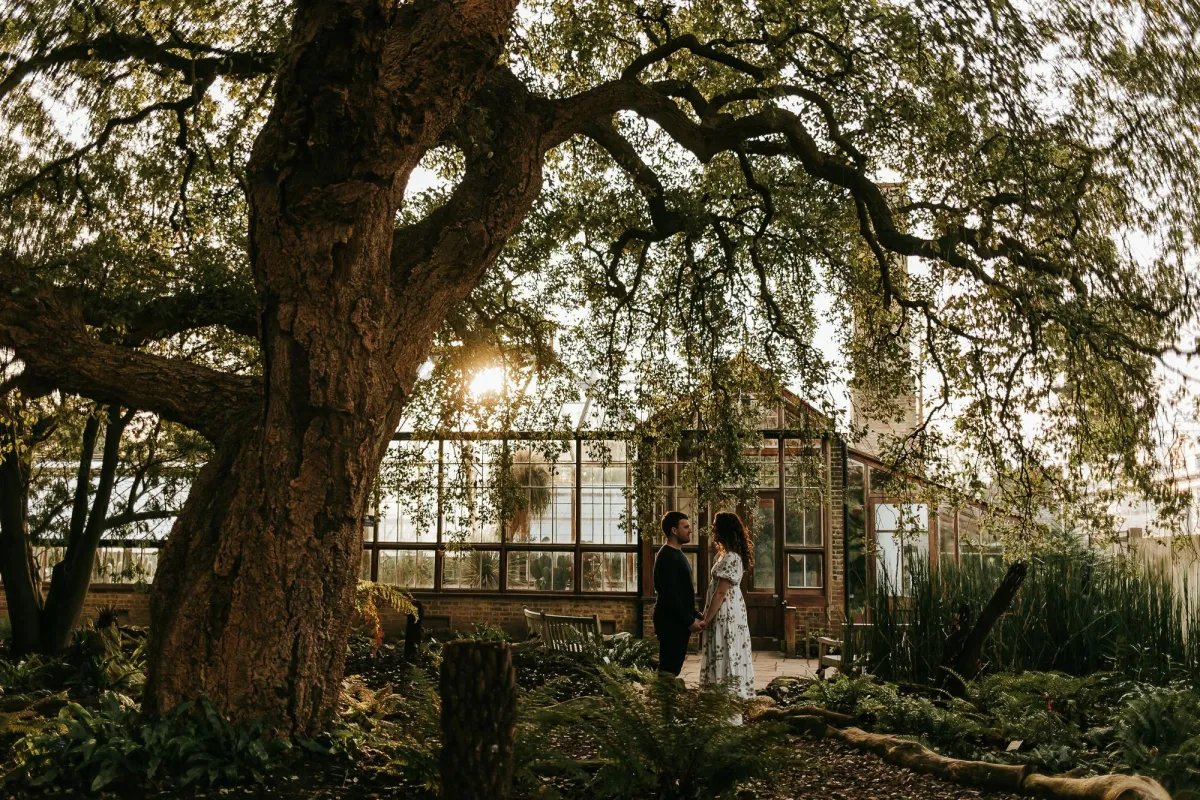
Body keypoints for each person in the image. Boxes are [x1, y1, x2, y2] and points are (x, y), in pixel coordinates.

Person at [700, 510, 755, 711]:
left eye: (715, 525)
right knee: (721, 650)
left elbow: (721, 592)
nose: (713, 529)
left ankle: (727, 707)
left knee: (727, 650)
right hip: (725, 611)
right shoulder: (725, 554)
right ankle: (720, 704)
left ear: (723, 529)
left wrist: (706, 619)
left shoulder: (732, 557)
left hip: (726, 613)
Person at [653, 510, 704, 675]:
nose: (690, 530)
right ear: (674, 530)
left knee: (673, 669)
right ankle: (663, 700)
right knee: (668, 671)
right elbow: (670, 595)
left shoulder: (678, 554)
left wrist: (696, 613)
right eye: (686, 527)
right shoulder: (667, 556)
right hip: (670, 622)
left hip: (677, 621)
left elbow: (682, 592)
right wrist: (689, 621)